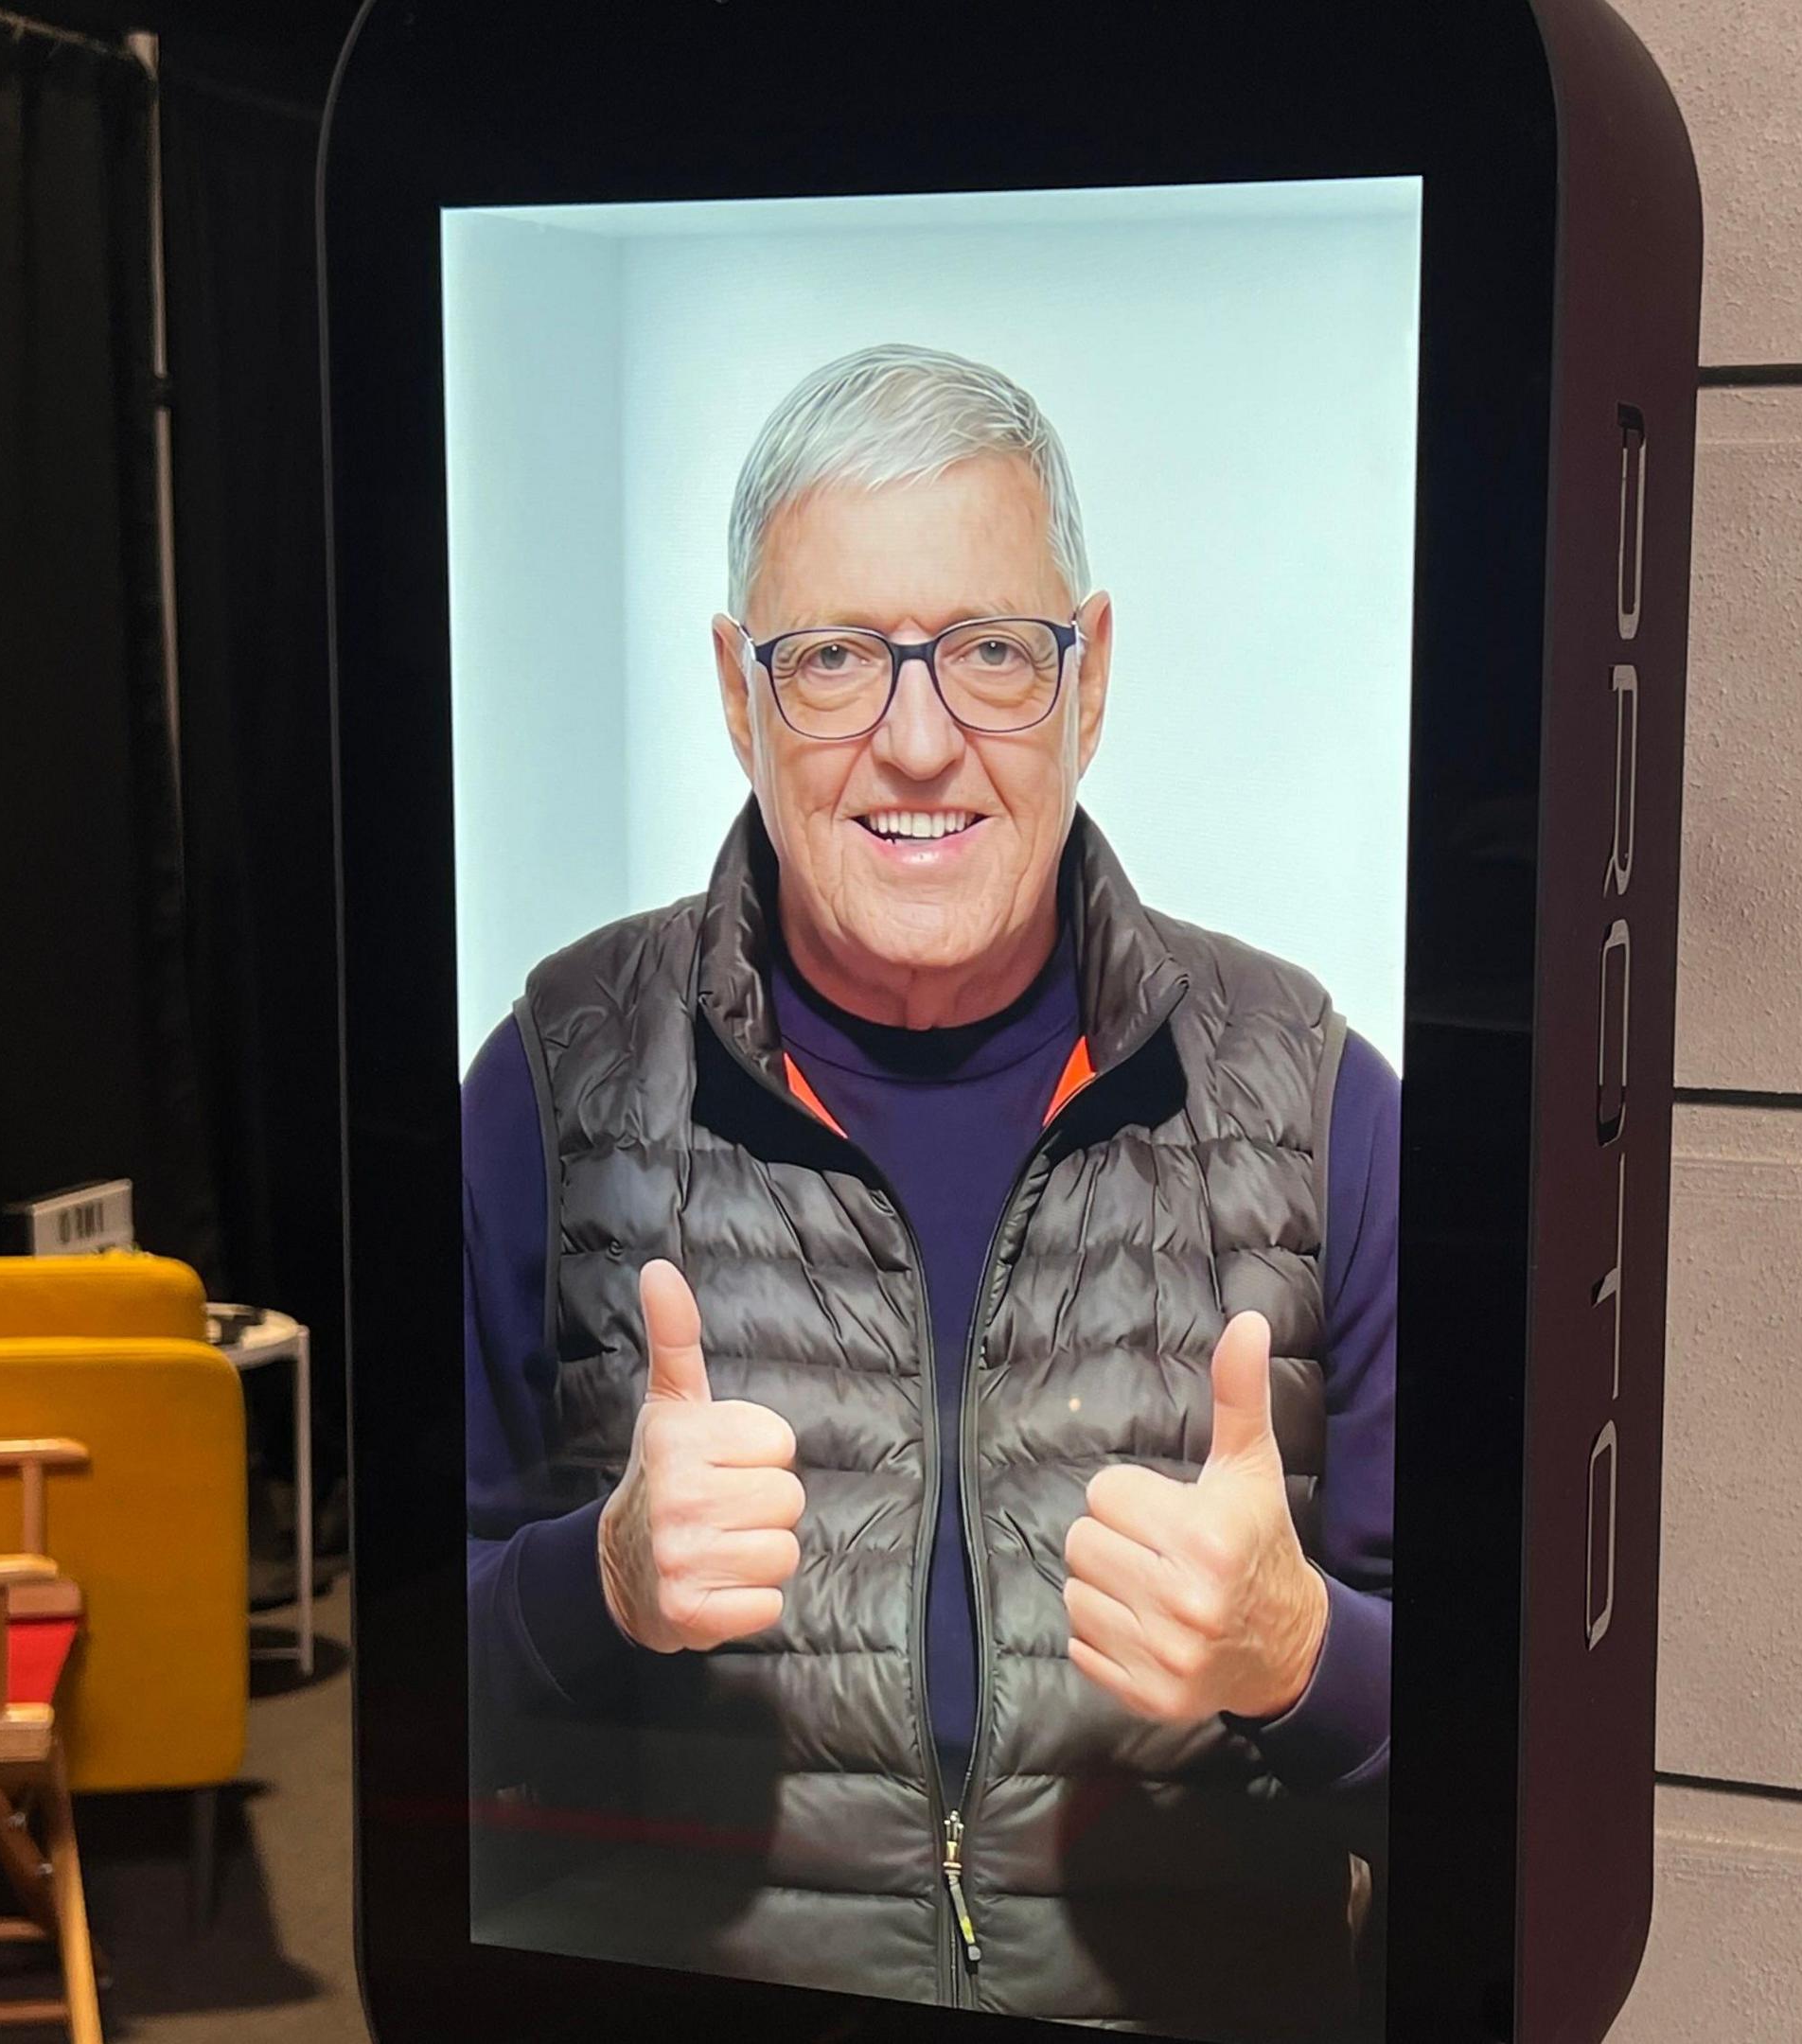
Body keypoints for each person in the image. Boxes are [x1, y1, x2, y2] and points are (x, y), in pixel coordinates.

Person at [459, 344, 1396, 2035]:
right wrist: (589, 1589)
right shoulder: (551, 1082)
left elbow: (1500, 1758)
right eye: (832, 661)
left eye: (988, 655)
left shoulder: (1319, 1099)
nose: (916, 743)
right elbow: (392, 1715)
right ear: (738, 692)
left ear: (1090, 678)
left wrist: (1297, 1658)